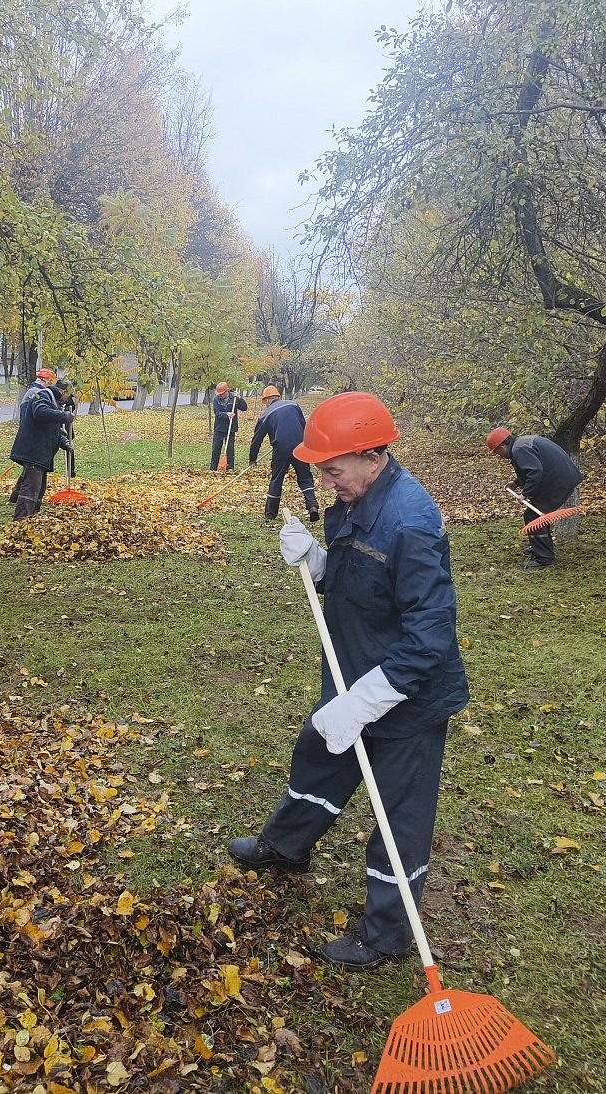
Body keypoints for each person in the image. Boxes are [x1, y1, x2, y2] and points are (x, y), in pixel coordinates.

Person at [229, 392, 469, 969]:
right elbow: (354, 579)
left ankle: (386, 933)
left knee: (398, 814)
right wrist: (316, 561)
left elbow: (429, 638)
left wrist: (365, 702)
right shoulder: (355, 499)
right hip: (351, 666)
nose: (326, 481)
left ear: (371, 456)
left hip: (406, 698)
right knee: (320, 754)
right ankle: (286, 847)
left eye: (333, 469)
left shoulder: (411, 522)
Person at [486, 427, 583, 569]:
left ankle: (545, 560)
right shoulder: (521, 444)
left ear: (502, 446)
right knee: (537, 514)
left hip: (559, 481)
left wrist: (525, 493)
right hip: (559, 477)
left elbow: (535, 471)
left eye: (496, 452)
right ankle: (539, 546)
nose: (498, 456)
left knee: (534, 516)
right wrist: (517, 482)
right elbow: (532, 467)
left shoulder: (519, 449)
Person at [8, 368, 75, 520]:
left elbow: (51, 428)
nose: (67, 401)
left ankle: (32, 517)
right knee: (31, 488)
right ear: (63, 392)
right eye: (68, 396)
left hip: (40, 452)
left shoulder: (50, 398)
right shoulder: (43, 394)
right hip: (34, 449)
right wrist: (63, 416)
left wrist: (64, 442)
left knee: (38, 487)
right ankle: (21, 521)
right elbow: (40, 413)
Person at [249, 385, 319, 522]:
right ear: (278, 396)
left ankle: (270, 513)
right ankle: (312, 506)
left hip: (280, 449)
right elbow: (303, 426)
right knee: (305, 477)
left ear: (267, 400)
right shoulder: (293, 405)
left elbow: (257, 439)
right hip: (300, 446)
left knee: (277, 478)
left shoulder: (266, 415)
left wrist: (252, 459)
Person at [210, 381, 248, 470]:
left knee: (230, 449)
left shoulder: (234, 398)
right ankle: (213, 468)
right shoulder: (216, 399)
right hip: (219, 428)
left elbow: (244, 408)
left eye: (222, 394)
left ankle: (230, 468)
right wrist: (226, 414)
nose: (220, 395)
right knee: (216, 448)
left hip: (231, 428)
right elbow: (217, 413)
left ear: (226, 391)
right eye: (219, 394)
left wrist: (239, 398)